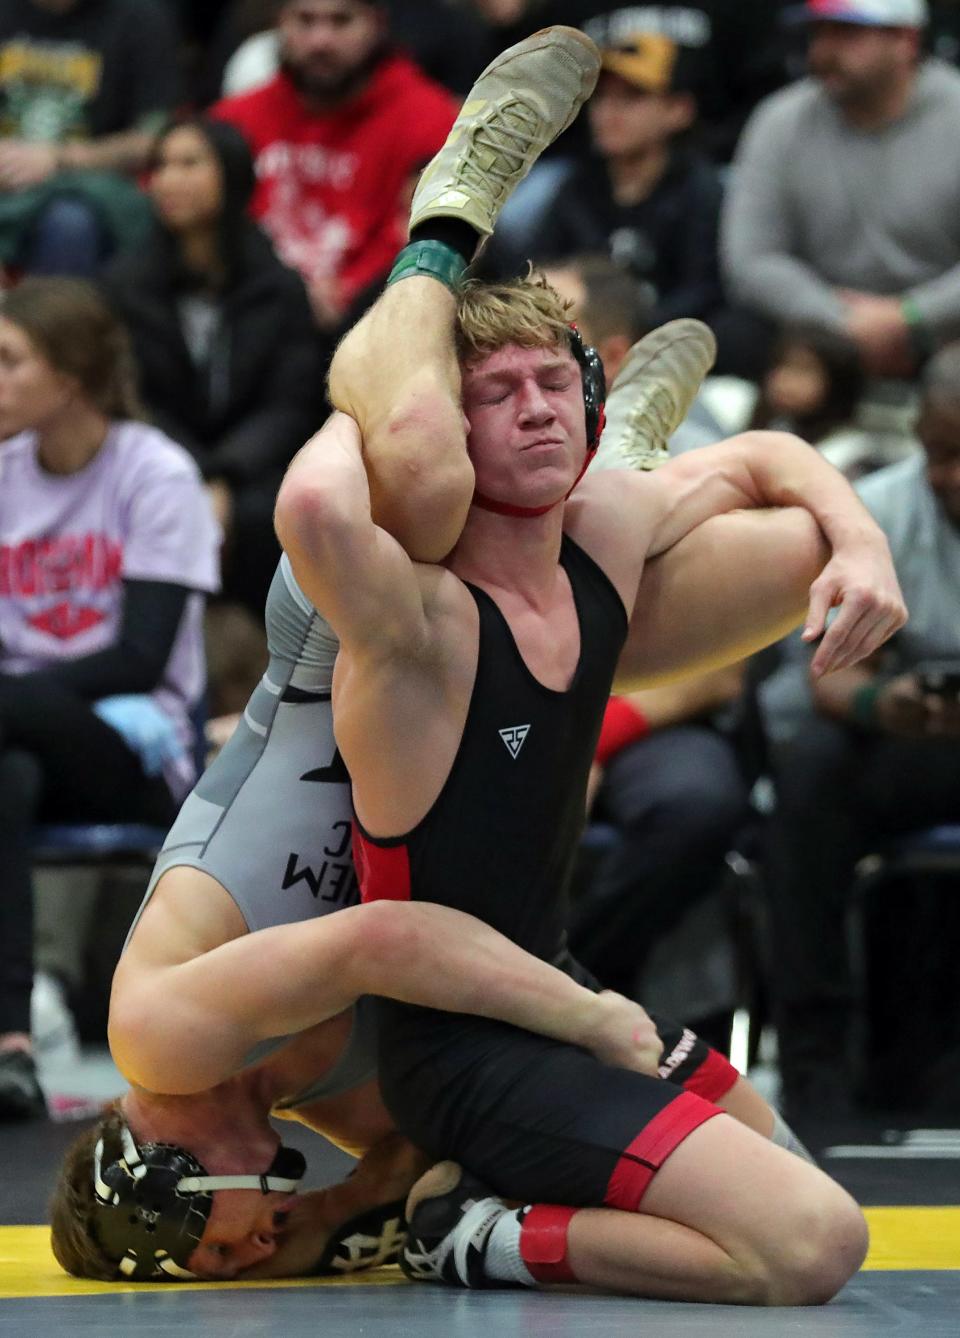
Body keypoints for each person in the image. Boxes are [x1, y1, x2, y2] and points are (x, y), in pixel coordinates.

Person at [50, 29, 834, 1285]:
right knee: (798, 566)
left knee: (420, 471)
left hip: (345, 634)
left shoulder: (160, 1033)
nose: (255, 1245)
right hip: (455, 688)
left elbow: (386, 942)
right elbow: (420, 1166)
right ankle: (598, 468)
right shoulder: (320, 1102)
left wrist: (337, 442)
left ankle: (452, 208)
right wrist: (337, 1218)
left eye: (231, 1240)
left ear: (168, 1177)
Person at [275, 17, 908, 1301]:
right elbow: (322, 515)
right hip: (470, 1055)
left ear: (592, 396)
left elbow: (763, 459)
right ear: (446, 432)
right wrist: (393, 403)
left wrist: (861, 547)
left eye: (558, 388)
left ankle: (592, 418)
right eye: (497, 395)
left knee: (782, 535)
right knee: (811, 1245)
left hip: (557, 989)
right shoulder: (418, 622)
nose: (537, 407)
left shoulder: (605, 531)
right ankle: (471, 1235)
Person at [0, 278, 219, 1119]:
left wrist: (15, 691)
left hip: (132, 749)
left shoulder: (157, 474)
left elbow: (139, 656)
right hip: (25, 735)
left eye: (12, 360)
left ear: (74, 376)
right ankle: (12, 1044)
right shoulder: (8, 471)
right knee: (7, 776)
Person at [762, 341, 960, 1124]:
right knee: (808, 770)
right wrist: (888, 705)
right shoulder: (877, 511)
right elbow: (825, 673)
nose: (953, 476)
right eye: (941, 453)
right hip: (910, 740)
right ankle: (815, 1064)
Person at [100, 116, 327, 620]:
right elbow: (132, 399)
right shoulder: (124, 285)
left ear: (233, 176)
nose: (167, 179)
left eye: (189, 164)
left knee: (275, 513)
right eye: (160, 165)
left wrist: (225, 474)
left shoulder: (278, 286)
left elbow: (290, 403)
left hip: (253, 469)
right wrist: (198, 476)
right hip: (159, 461)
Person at [722, 0, 960, 380]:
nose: (824, 52)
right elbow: (752, 258)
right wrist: (841, 319)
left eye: (847, 34)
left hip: (944, 330)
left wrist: (909, 316)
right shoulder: (780, 120)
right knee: (734, 336)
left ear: (906, 41)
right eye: (819, 33)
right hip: (823, 328)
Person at [210, 0, 457, 330]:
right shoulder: (235, 119)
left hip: (378, 318)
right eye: (304, 20)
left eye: (341, 21)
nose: (320, 41)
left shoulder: (431, 120)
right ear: (279, 23)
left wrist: (350, 290)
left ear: (377, 24)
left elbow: (426, 239)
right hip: (250, 314)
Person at [523, 31, 726, 335]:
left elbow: (705, 290)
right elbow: (537, 270)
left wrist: (628, 328)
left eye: (631, 97)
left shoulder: (700, 190)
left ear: (678, 110)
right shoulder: (577, 188)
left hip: (665, 342)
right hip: (578, 336)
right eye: (601, 98)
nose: (608, 113)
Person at [0, 0, 181, 278]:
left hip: (88, 184)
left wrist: (60, 158)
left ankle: (46, 321)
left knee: (69, 224)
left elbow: (154, 136)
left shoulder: (139, 17)